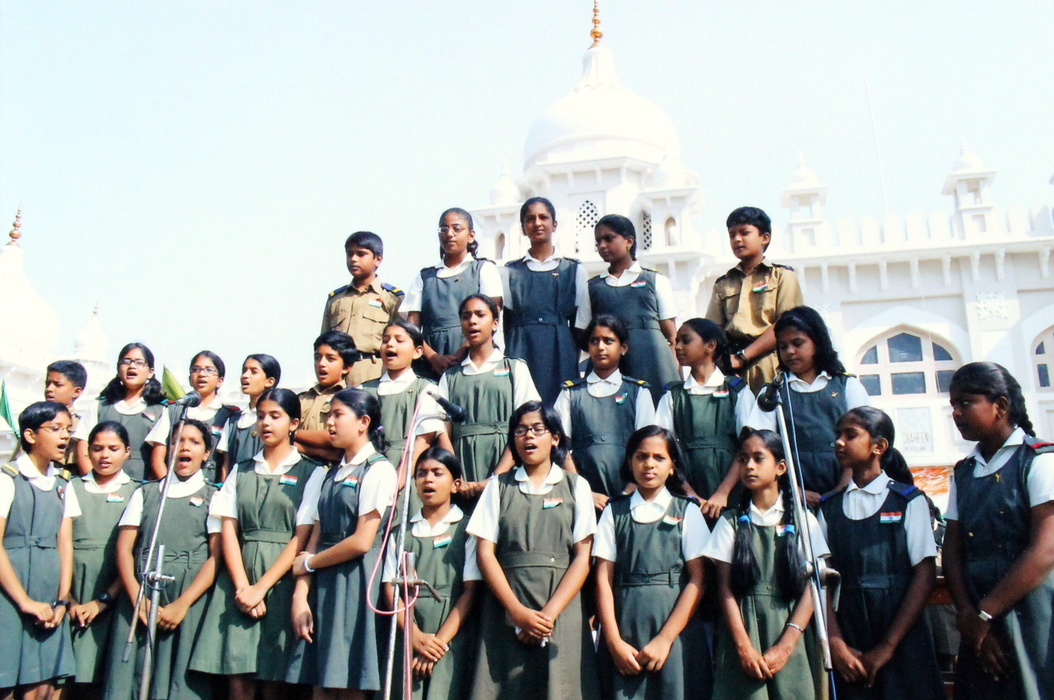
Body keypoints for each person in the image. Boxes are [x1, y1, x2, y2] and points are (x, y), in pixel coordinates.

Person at [189, 388, 322, 700]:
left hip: (281, 580)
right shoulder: (241, 469)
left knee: (273, 679)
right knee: (238, 679)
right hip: (239, 577)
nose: (266, 423)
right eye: (261, 416)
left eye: (275, 416)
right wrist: (242, 587)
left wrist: (261, 588)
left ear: (294, 423)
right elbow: (229, 529)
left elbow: (300, 537)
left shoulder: (312, 472)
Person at [467, 402, 600, 700]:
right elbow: (485, 554)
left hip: (560, 608)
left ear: (555, 438)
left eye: (538, 429)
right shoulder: (498, 487)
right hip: (506, 606)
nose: (528, 436)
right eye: (521, 430)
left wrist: (548, 616)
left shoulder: (576, 486)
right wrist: (516, 612)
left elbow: (583, 557)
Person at [942, 362, 1054, 700]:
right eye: (953, 405)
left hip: (1032, 612)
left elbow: (1045, 550)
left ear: (1000, 406)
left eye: (965, 403)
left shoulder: (1038, 460)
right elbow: (952, 550)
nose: (956, 413)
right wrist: (968, 616)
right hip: (977, 617)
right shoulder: (964, 472)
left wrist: (985, 613)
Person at [820, 407, 943, 700]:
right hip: (849, 632)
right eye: (837, 435)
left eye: (851, 435)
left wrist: (888, 646)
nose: (839, 442)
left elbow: (925, 575)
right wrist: (836, 644)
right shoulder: (828, 507)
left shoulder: (909, 501)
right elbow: (821, 581)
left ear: (879, 446)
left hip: (901, 631)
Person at [287, 388, 397, 699]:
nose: (330, 423)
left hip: (356, 582)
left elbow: (362, 541)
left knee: (349, 682)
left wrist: (309, 563)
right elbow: (315, 536)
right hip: (324, 582)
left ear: (363, 422)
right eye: (329, 416)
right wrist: (300, 596)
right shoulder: (330, 473)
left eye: (338, 415)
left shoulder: (378, 469)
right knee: (321, 683)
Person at [703, 429, 827, 700]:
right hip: (743, 630)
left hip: (791, 628)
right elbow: (725, 589)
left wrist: (786, 645)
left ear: (781, 467)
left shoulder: (804, 520)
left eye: (758, 458)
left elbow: (814, 586)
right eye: (743, 459)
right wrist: (743, 647)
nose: (749, 466)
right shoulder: (730, 522)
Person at [104, 418, 221, 700]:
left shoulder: (213, 496)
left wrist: (183, 604)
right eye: (178, 440)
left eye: (194, 442)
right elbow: (124, 549)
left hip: (187, 599)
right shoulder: (145, 493)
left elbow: (216, 557)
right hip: (141, 596)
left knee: (178, 682)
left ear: (206, 453)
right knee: (130, 678)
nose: (185, 447)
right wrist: (138, 599)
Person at [593, 426, 710, 700]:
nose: (649, 464)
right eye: (641, 456)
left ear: (672, 466)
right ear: (629, 462)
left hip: (675, 629)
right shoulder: (614, 512)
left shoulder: (687, 511)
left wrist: (665, 639)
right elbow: (602, 579)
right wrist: (613, 641)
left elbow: (698, 579)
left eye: (659, 457)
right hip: (625, 625)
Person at [382, 447, 480, 700]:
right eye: (421, 473)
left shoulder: (468, 530)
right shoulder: (400, 533)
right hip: (409, 629)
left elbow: (470, 592)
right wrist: (414, 636)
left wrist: (437, 645)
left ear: (456, 484)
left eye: (437, 473)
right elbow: (390, 588)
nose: (428, 479)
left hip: (451, 633)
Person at [748, 306, 870, 507]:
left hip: (848, 493)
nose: (790, 351)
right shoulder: (773, 393)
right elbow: (761, 447)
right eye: (783, 346)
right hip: (792, 498)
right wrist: (793, 490)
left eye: (798, 343)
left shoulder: (847, 386)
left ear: (818, 342)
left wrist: (844, 486)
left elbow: (863, 441)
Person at [0, 402, 78, 697]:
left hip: (48, 596)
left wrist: (62, 600)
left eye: (68, 429)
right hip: (10, 593)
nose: (65, 436)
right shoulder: (7, 478)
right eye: (55, 429)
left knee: (42, 684)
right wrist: (24, 601)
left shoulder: (63, 483)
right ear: (31, 435)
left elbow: (65, 544)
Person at [437, 294, 539, 496]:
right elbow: (442, 432)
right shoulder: (450, 377)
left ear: (495, 323)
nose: (472, 321)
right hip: (463, 474)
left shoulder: (515, 368)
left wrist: (496, 478)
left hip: (508, 471)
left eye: (480, 315)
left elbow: (527, 424)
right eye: (466, 316)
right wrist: (457, 477)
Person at [655, 318, 756, 518]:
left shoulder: (738, 391)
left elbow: (749, 446)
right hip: (685, 489)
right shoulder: (673, 395)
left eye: (686, 340)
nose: (678, 347)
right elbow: (662, 448)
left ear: (710, 346)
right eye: (677, 341)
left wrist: (723, 493)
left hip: (731, 490)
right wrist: (690, 494)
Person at [554, 315, 655, 511]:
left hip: (631, 495)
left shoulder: (638, 392)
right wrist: (584, 493)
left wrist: (630, 490)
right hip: (581, 496)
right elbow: (561, 448)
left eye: (608, 341)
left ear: (623, 347)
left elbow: (648, 445)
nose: (600, 347)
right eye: (594, 341)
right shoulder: (571, 392)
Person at [69, 421, 137, 697]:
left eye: (113, 448)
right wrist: (69, 600)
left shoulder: (137, 492)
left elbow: (132, 554)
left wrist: (104, 600)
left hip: (116, 592)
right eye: (97, 448)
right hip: (74, 590)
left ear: (127, 452)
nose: (104, 455)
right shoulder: (71, 487)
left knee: (106, 674)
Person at [705, 206, 804, 394]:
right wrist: (723, 363)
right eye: (732, 235)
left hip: (771, 363)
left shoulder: (781, 276)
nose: (737, 239)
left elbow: (787, 325)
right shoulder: (723, 284)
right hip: (732, 368)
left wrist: (743, 356)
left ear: (764, 238)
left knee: (773, 409)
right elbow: (713, 331)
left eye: (745, 232)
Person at [502, 198, 589, 405]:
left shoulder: (573, 269)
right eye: (530, 219)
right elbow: (507, 320)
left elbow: (581, 322)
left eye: (543, 217)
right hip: (522, 347)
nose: (537, 223)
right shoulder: (511, 271)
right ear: (523, 228)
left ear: (554, 224)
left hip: (561, 348)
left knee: (560, 406)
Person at [404, 208, 503, 380]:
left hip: (474, 358)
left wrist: (460, 354)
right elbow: (411, 328)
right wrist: (434, 358)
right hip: (429, 363)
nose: (449, 234)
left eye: (456, 229)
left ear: (471, 235)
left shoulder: (483, 269)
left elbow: (492, 316)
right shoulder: (425, 277)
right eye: (444, 229)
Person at [589, 214, 679, 402]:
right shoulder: (592, 287)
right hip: (611, 368)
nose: (602, 246)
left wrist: (672, 369)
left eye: (609, 238)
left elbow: (672, 336)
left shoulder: (655, 280)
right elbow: (583, 334)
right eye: (598, 241)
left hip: (654, 364)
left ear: (629, 241)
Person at [360, 319, 451, 475]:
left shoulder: (426, 390)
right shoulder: (364, 390)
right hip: (369, 466)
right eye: (385, 340)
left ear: (417, 352)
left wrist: (400, 479)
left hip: (409, 468)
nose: (390, 344)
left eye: (399, 340)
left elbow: (424, 440)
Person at [322, 231, 404, 387]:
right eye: (350, 254)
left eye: (361, 254)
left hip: (374, 372)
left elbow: (403, 343)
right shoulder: (336, 299)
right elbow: (324, 342)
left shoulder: (391, 298)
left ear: (378, 259)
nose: (353, 259)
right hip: (338, 375)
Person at [148, 351, 240, 484]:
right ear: (190, 378)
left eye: (209, 370)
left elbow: (227, 462)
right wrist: (169, 486)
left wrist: (219, 491)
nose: (202, 374)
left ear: (220, 381)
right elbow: (158, 457)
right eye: (196, 369)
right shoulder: (174, 410)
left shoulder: (228, 416)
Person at [87, 343, 169, 482]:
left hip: (142, 485)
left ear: (150, 372)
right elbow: (83, 450)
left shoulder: (162, 410)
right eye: (126, 361)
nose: (132, 366)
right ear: (118, 368)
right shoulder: (100, 406)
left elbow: (159, 459)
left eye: (139, 362)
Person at [215, 354, 281, 478]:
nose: (245, 376)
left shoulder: (277, 420)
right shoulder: (233, 420)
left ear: (269, 381)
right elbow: (226, 462)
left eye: (253, 372)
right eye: (244, 370)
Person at [296, 331, 357, 464]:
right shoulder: (301, 399)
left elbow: (336, 438)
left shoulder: (351, 400)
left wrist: (294, 434)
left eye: (330, 359)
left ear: (346, 367)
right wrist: (322, 452)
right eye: (317, 357)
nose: (321, 363)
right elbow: (281, 438)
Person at [44, 359, 92, 472]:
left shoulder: (81, 427)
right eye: (47, 383)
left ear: (76, 392)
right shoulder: (35, 422)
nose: (49, 389)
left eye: (57, 385)